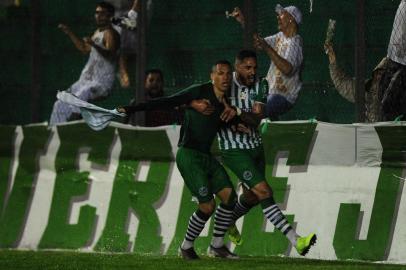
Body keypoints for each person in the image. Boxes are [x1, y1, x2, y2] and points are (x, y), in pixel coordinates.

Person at [191, 50, 317, 256]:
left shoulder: (262, 84)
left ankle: (226, 226)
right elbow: (212, 109)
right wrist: (230, 120)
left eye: (255, 67)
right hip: (234, 150)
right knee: (265, 191)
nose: (252, 72)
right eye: (247, 68)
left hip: (255, 147)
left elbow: (256, 119)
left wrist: (238, 114)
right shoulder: (224, 83)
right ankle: (296, 240)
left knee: (253, 196)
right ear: (237, 67)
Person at [119, 60, 240, 260]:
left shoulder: (225, 103)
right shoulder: (199, 91)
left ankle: (218, 246)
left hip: (206, 156)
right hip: (189, 155)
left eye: (228, 74)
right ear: (212, 76)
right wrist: (132, 109)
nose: (225, 77)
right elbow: (168, 101)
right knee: (207, 206)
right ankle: (186, 247)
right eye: (220, 73)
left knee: (229, 197)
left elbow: (230, 120)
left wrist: (237, 119)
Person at [324, 0, 406, 122]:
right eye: (381, 73)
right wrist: (332, 59)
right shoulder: (369, 90)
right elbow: (342, 83)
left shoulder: (397, 86)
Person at [49, 2, 121, 125]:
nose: (98, 16)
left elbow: (111, 55)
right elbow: (83, 48)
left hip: (101, 83)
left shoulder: (111, 33)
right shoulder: (97, 33)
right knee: (60, 102)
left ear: (110, 16)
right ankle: (54, 131)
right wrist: (69, 33)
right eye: (97, 13)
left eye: (102, 13)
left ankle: (74, 126)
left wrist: (94, 45)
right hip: (85, 81)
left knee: (83, 93)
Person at [229, 5, 304, 120]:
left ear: (291, 19)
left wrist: (267, 47)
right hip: (269, 92)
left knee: (257, 109)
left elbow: (287, 69)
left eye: (282, 14)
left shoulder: (296, 43)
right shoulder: (281, 37)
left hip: (284, 97)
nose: (278, 17)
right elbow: (259, 42)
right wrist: (243, 22)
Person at [324, 43, 389, 122]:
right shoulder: (370, 88)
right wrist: (332, 60)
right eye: (378, 73)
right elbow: (341, 83)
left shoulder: (398, 88)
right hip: (371, 130)